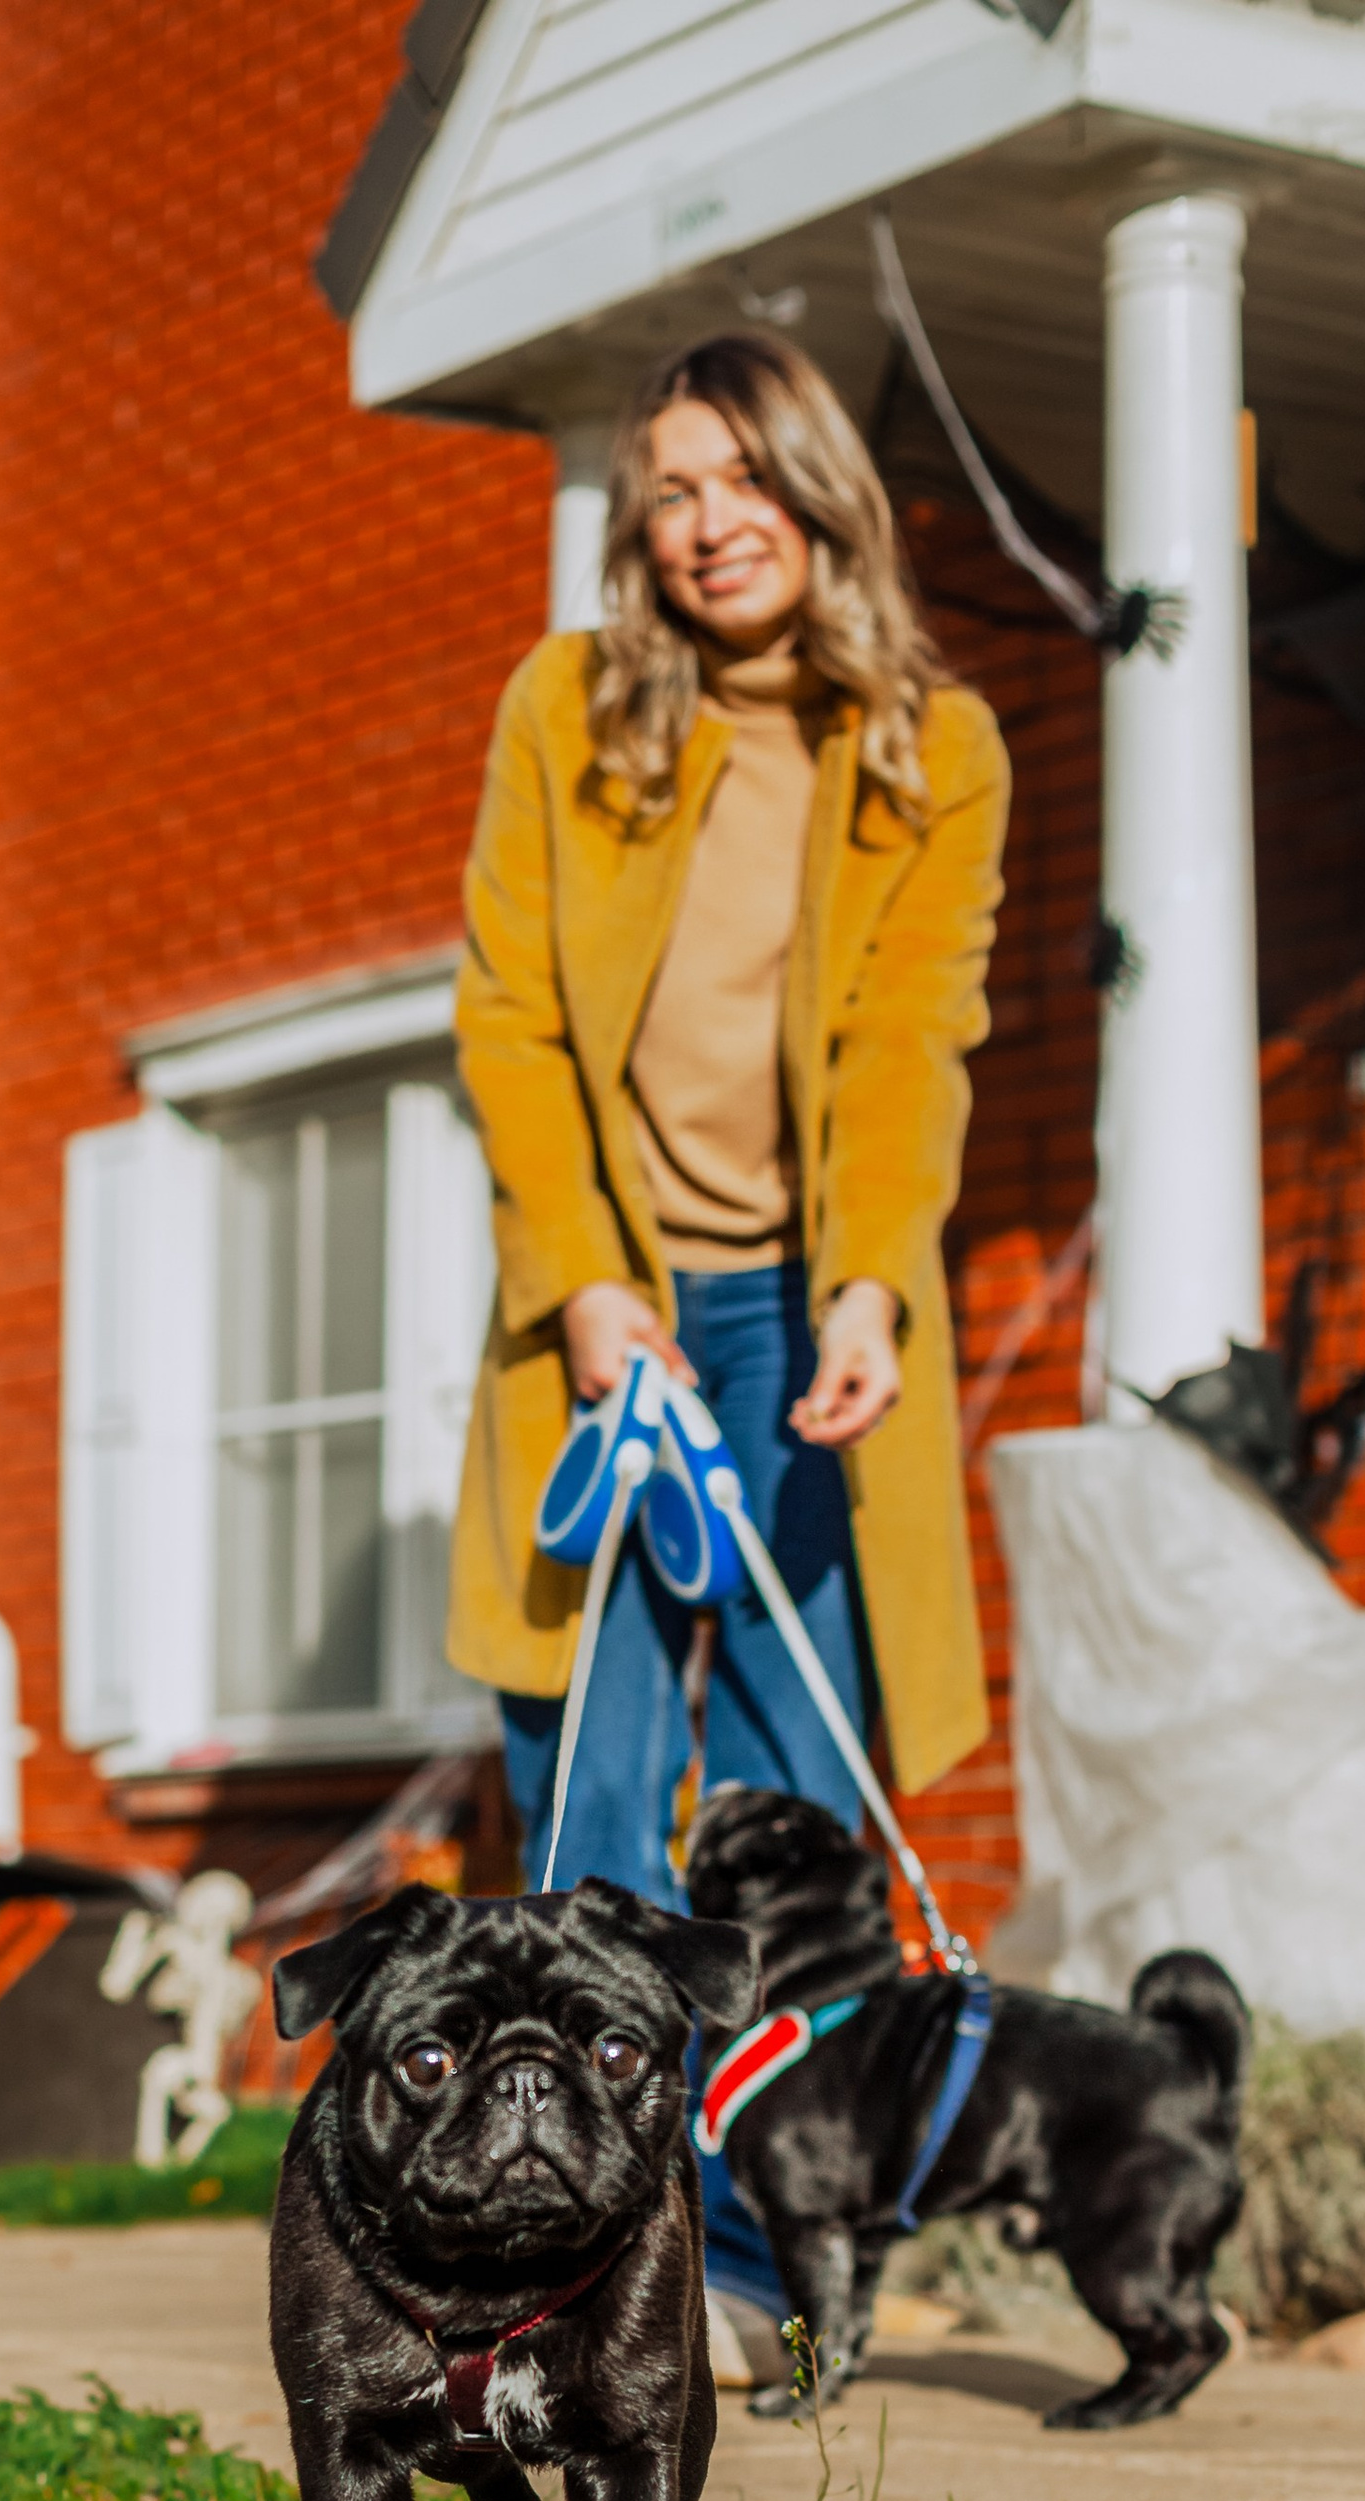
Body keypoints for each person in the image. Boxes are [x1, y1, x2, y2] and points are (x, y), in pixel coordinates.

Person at [445, 325, 1009, 1918]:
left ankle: (769, 2166)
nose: (712, 521)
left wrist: (875, 1287)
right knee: (593, 1769)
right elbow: (512, 1015)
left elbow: (916, 1038)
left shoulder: (936, 755)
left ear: (822, 494)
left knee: (789, 1782)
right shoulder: (568, 711)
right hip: (606, 1310)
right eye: (674, 492)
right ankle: (608, 2171)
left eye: (748, 477)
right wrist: (586, 1285)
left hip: (800, 1313)